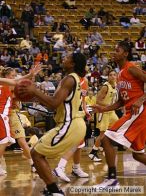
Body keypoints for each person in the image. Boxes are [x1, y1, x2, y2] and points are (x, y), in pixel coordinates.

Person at [16, 52, 87, 196]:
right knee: (37, 153)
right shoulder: (72, 78)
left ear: (72, 64)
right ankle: (53, 188)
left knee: (36, 154)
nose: (64, 59)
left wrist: (34, 91)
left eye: (67, 58)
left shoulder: (69, 80)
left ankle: (55, 191)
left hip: (70, 124)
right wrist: (35, 93)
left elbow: (54, 104)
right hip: (73, 124)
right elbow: (52, 103)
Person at [92, 40, 146, 187]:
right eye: (114, 50)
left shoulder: (131, 68)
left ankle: (112, 179)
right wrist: (104, 108)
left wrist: (141, 99)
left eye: (118, 50)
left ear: (126, 54)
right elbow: (121, 102)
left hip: (139, 112)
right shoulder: (120, 75)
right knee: (138, 154)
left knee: (106, 139)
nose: (114, 53)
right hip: (132, 112)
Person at [1, 65, 41, 173]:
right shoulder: (5, 84)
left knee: (21, 140)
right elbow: (16, 84)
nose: (14, 77)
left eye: (15, 75)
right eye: (12, 75)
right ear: (6, 76)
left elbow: (18, 84)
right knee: (3, 142)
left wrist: (30, 76)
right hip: (4, 115)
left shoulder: (13, 85)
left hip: (12, 114)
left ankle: (32, 163)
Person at [53, 76, 89, 182]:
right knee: (75, 143)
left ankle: (76, 168)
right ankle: (60, 167)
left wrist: (85, 109)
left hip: (77, 114)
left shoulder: (85, 81)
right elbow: (56, 97)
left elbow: (83, 99)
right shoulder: (68, 79)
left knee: (79, 144)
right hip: (67, 114)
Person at [89, 70, 118, 162]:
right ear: (108, 77)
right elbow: (97, 101)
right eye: (110, 75)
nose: (113, 76)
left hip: (111, 112)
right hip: (104, 112)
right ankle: (93, 152)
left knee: (116, 127)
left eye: (114, 74)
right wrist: (109, 105)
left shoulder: (116, 85)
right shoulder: (105, 87)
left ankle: (103, 147)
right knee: (102, 134)